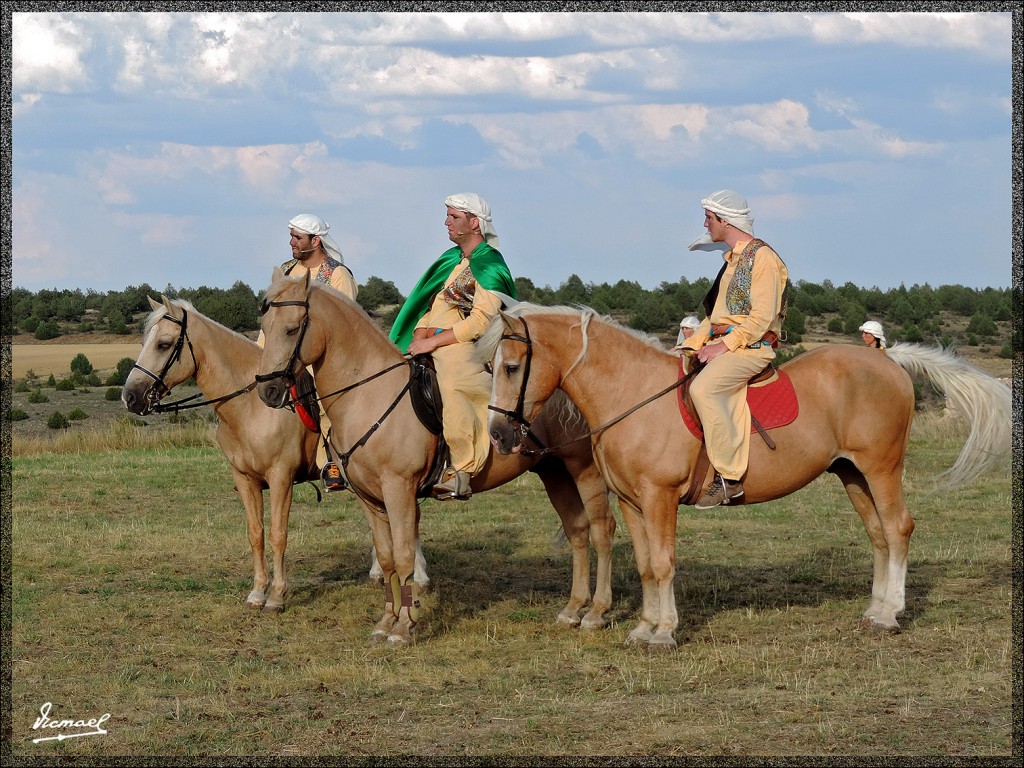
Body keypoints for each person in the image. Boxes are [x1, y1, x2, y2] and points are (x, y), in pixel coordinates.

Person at [389, 193, 517, 500]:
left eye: (453, 217)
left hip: (464, 345)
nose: (446, 222)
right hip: (429, 341)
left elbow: (480, 323)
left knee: (453, 382)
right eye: (447, 216)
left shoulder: (489, 264)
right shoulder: (452, 261)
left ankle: (460, 469)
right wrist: (419, 335)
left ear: (474, 223)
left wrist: (434, 341)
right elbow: (429, 305)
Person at [678, 189, 789, 510]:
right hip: (726, 345)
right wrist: (690, 345)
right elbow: (716, 318)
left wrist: (723, 347)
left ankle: (729, 479)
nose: (705, 223)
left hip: (753, 348)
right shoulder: (732, 260)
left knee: (704, 389)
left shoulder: (764, 259)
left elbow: (762, 317)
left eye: (709, 218)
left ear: (725, 221)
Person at [263, 214, 358, 491]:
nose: (291, 242)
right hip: (288, 357)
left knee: (325, 400)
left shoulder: (337, 274)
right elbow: (273, 320)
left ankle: (331, 464)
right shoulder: (286, 271)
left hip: (330, 359)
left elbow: (348, 322)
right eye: (291, 236)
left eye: (297, 237)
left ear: (315, 241)